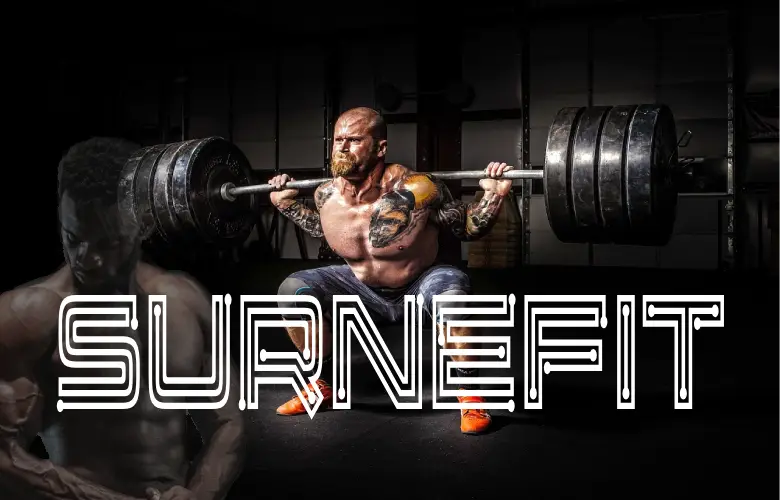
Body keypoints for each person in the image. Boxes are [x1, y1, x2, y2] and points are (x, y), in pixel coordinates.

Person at [0, 138, 246, 499]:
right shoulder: (29, 316)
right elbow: (4, 459)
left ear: (142, 225)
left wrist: (202, 492)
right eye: (73, 237)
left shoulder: (185, 301)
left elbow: (228, 423)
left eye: (106, 243)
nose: (86, 258)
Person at [268, 107, 513, 435]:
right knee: (292, 290)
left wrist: (493, 196)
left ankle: (470, 396)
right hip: (360, 287)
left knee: (454, 297)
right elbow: (322, 230)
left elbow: (468, 226)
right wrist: (287, 205)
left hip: (418, 282)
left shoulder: (420, 189)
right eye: (338, 139)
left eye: (354, 140)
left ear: (380, 148)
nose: (342, 147)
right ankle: (319, 385)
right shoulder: (325, 195)